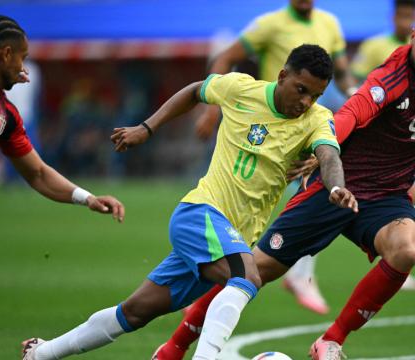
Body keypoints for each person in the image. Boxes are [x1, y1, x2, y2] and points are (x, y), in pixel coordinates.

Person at [22, 44, 357, 360]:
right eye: (301, 90)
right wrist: (146, 128)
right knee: (248, 277)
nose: (306, 102)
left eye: (315, 95)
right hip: (201, 214)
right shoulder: (240, 89)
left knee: (136, 311)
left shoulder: (316, 119)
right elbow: (195, 91)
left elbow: (329, 155)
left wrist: (336, 187)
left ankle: (41, 353)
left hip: (228, 238)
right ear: (283, 76)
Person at [152, 33, 415, 360]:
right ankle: (175, 345)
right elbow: (350, 114)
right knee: (254, 271)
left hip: (387, 195)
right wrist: (323, 152)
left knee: (406, 250)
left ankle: (330, 341)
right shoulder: (390, 79)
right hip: (336, 185)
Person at [0, 15, 125, 360]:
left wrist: (87, 198)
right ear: (5, 54)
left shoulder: (2, 112)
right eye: (22, 57)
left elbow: (36, 173)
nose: (25, 67)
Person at [195, 0, 358, 315]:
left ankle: (298, 275)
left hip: (302, 134)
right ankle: (205, 294)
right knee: (234, 215)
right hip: (260, 131)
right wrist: (213, 107)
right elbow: (226, 57)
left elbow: (341, 72)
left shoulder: (331, 24)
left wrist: (354, 96)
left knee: (317, 199)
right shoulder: (270, 24)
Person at [351, 0, 415, 291]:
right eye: (402, 14)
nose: (406, 20)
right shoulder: (379, 47)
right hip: (368, 134)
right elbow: (355, 83)